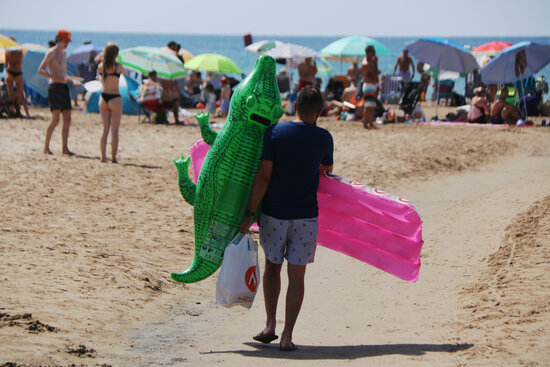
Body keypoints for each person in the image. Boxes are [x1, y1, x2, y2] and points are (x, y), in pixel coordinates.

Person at [239, 86, 333, 352]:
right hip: (306, 216)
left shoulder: (275, 133)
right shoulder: (324, 138)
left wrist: (249, 214)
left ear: (294, 103)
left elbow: (264, 177)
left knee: (272, 268)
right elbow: (327, 170)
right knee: (297, 278)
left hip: (274, 214)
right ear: (319, 111)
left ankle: (270, 324)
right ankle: (287, 336)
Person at [39, 29, 81, 155]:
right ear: (60, 40)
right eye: (66, 41)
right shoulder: (52, 52)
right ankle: (46, 147)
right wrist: (55, 78)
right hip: (55, 87)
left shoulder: (64, 54)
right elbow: (40, 70)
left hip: (64, 87)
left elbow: (63, 73)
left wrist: (72, 81)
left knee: (67, 119)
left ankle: (65, 148)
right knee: (55, 120)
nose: (67, 43)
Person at [97, 42, 125, 163]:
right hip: (115, 97)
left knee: (105, 129)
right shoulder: (117, 66)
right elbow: (125, 72)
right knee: (115, 130)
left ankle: (103, 157)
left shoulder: (101, 66)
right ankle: (113, 158)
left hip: (103, 98)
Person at [5, 45, 30, 117]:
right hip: (18, 73)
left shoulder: (7, 52)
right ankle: (27, 113)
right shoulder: (20, 52)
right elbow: (21, 61)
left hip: (10, 72)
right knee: (21, 94)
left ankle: (11, 112)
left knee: (10, 94)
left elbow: (6, 65)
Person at [361, 45, 380, 129]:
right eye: (373, 52)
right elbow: (374, 73)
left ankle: (370, 123)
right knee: (368, 106)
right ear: (369, 53)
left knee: (372, 106)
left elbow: (374, 74)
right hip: (368, 85)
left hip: (371, 84)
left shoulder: (370, 61)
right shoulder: (366, 63)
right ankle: (365, 124)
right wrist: (375, 63)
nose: (374, 54)